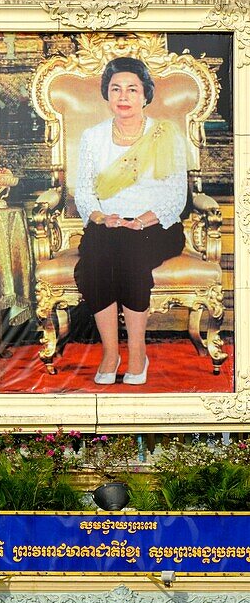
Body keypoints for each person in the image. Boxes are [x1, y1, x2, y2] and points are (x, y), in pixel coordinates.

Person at [73, 56, 188, 386]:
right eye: (115, 89)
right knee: (92, 266)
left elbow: (175, 196)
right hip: (106, 224)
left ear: (145, 95)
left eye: (132, 89)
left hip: (155, 227)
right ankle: (111, 353)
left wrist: (142, 221)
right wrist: (100, 216)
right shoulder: (93, 137)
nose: (123, 97)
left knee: (131, 258)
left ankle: (138, 353)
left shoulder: (166, 135)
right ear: (107, 95)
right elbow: (83, 189)